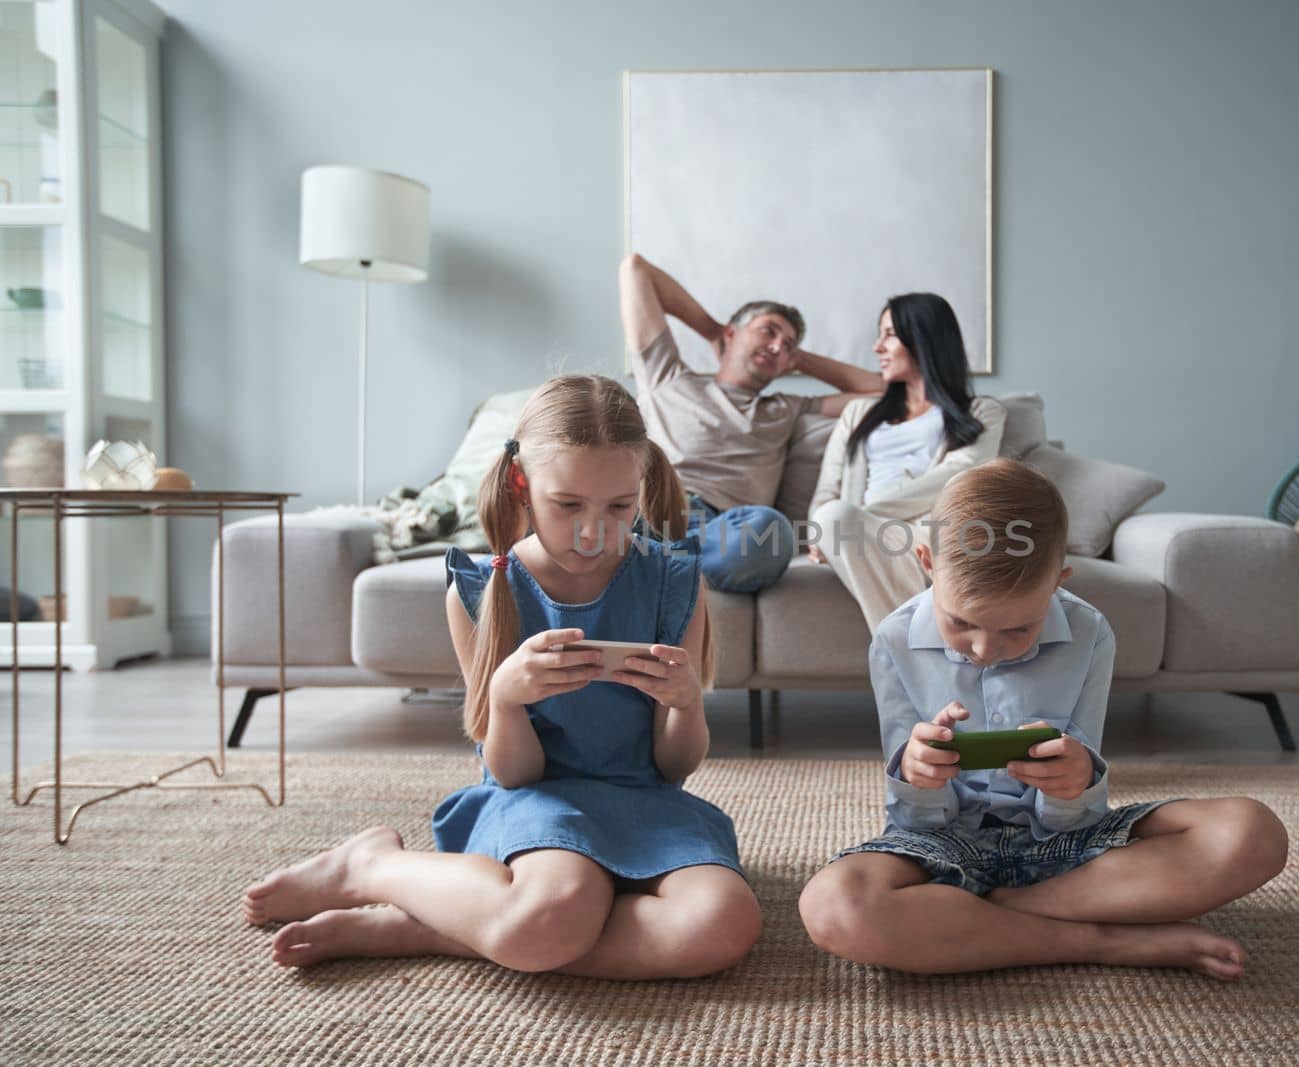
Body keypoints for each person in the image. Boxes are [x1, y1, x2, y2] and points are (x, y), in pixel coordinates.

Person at [242, 375, 762, 978]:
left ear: (640, 489)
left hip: (648, 801)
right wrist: (506, 700)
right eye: (568, 505)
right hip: (536, 801)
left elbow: (675, 765)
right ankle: (369, 867)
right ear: (522, 484)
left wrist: (686, 705)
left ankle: (440, 929)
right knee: (557, 908)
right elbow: (515, 773)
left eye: (619, 507)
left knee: (725, 924)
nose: (593, 532)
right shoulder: (484, 589)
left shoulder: (674, 583)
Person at [798, 459, 1289, 978]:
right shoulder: (895, 640)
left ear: (1059, 580)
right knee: (832, 905)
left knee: (1253, 833)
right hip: (945, 844)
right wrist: (917, 775)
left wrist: (1073, 782)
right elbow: (915, 821)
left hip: (1062, 848)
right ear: (926, 561)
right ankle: (1101, 941)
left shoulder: (1089, 632)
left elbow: (1076, 818)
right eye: (962, 623)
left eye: (1018, 629)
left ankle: (988, 917)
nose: (987, 648)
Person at [619, 252, 881, 594]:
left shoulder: (785, 408)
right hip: (653, 505)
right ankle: (663, 566)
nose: (776, 346)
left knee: (772, 532)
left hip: (724, 529)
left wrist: (798, 359)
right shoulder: (667, 378)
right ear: (732, 333)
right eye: (767, 332)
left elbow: (883, 391)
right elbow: (635, 269)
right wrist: (713, 331)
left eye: (787, 345)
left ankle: (645, 565)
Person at [807, 292, 1006, 629]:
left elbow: (957, 475)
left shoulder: (983, 412)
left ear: (924, 338)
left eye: (889, 334)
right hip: (859, 532)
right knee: (830, 516)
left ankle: (900, 652)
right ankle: (918, 648)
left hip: (930, 530)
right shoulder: (858, 413)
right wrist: (824, 531)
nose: (877, 347)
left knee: (841, 520)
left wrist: (859, 516)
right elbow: (828, 489)